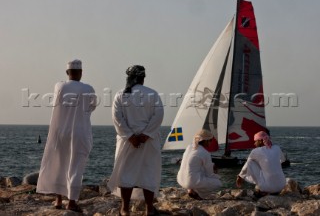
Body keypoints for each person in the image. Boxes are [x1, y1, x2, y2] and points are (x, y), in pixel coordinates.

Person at [36, 59, 96, 212]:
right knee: (76, 167)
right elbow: (92, 106)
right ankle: (72, 202)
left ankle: (58, 200)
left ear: (67, 73)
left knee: (59, 164)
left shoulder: (59, 86)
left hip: (60, 132)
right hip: (80, 132)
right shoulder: (88, 88)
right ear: (81, 72)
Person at [107, 65, 164, 216]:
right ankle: (149, 209)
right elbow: (158, 116)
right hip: (149, 141)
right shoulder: (153, 94)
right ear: (143, 78)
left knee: (126, 173)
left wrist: (131, 136)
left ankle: (125, 209)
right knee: (149, 172)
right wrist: (145, 134)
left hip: (127, 142)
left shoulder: (120, 95)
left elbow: (117, 118)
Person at [236, 131, 286, 197]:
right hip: (281, 185)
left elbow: (246, 165)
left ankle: (264, 190)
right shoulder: (277, 147)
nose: (254, 143)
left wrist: (240, 176)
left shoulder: (255, 151)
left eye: (255, 141)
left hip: (267, 188)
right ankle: (273, 188)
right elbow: (283, 160)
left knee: (250, 162)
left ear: (260, 141)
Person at [177, 129, 222, 200]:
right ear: (206, 141)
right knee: (218, 183)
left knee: (198, 169)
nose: (210, 143)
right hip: (190, 182)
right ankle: (199, 195)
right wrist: (217, 176)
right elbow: (210, 174)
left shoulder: (189, 147)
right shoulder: (204, 153)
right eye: (210, 141)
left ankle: (191, 189)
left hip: (180, 179)